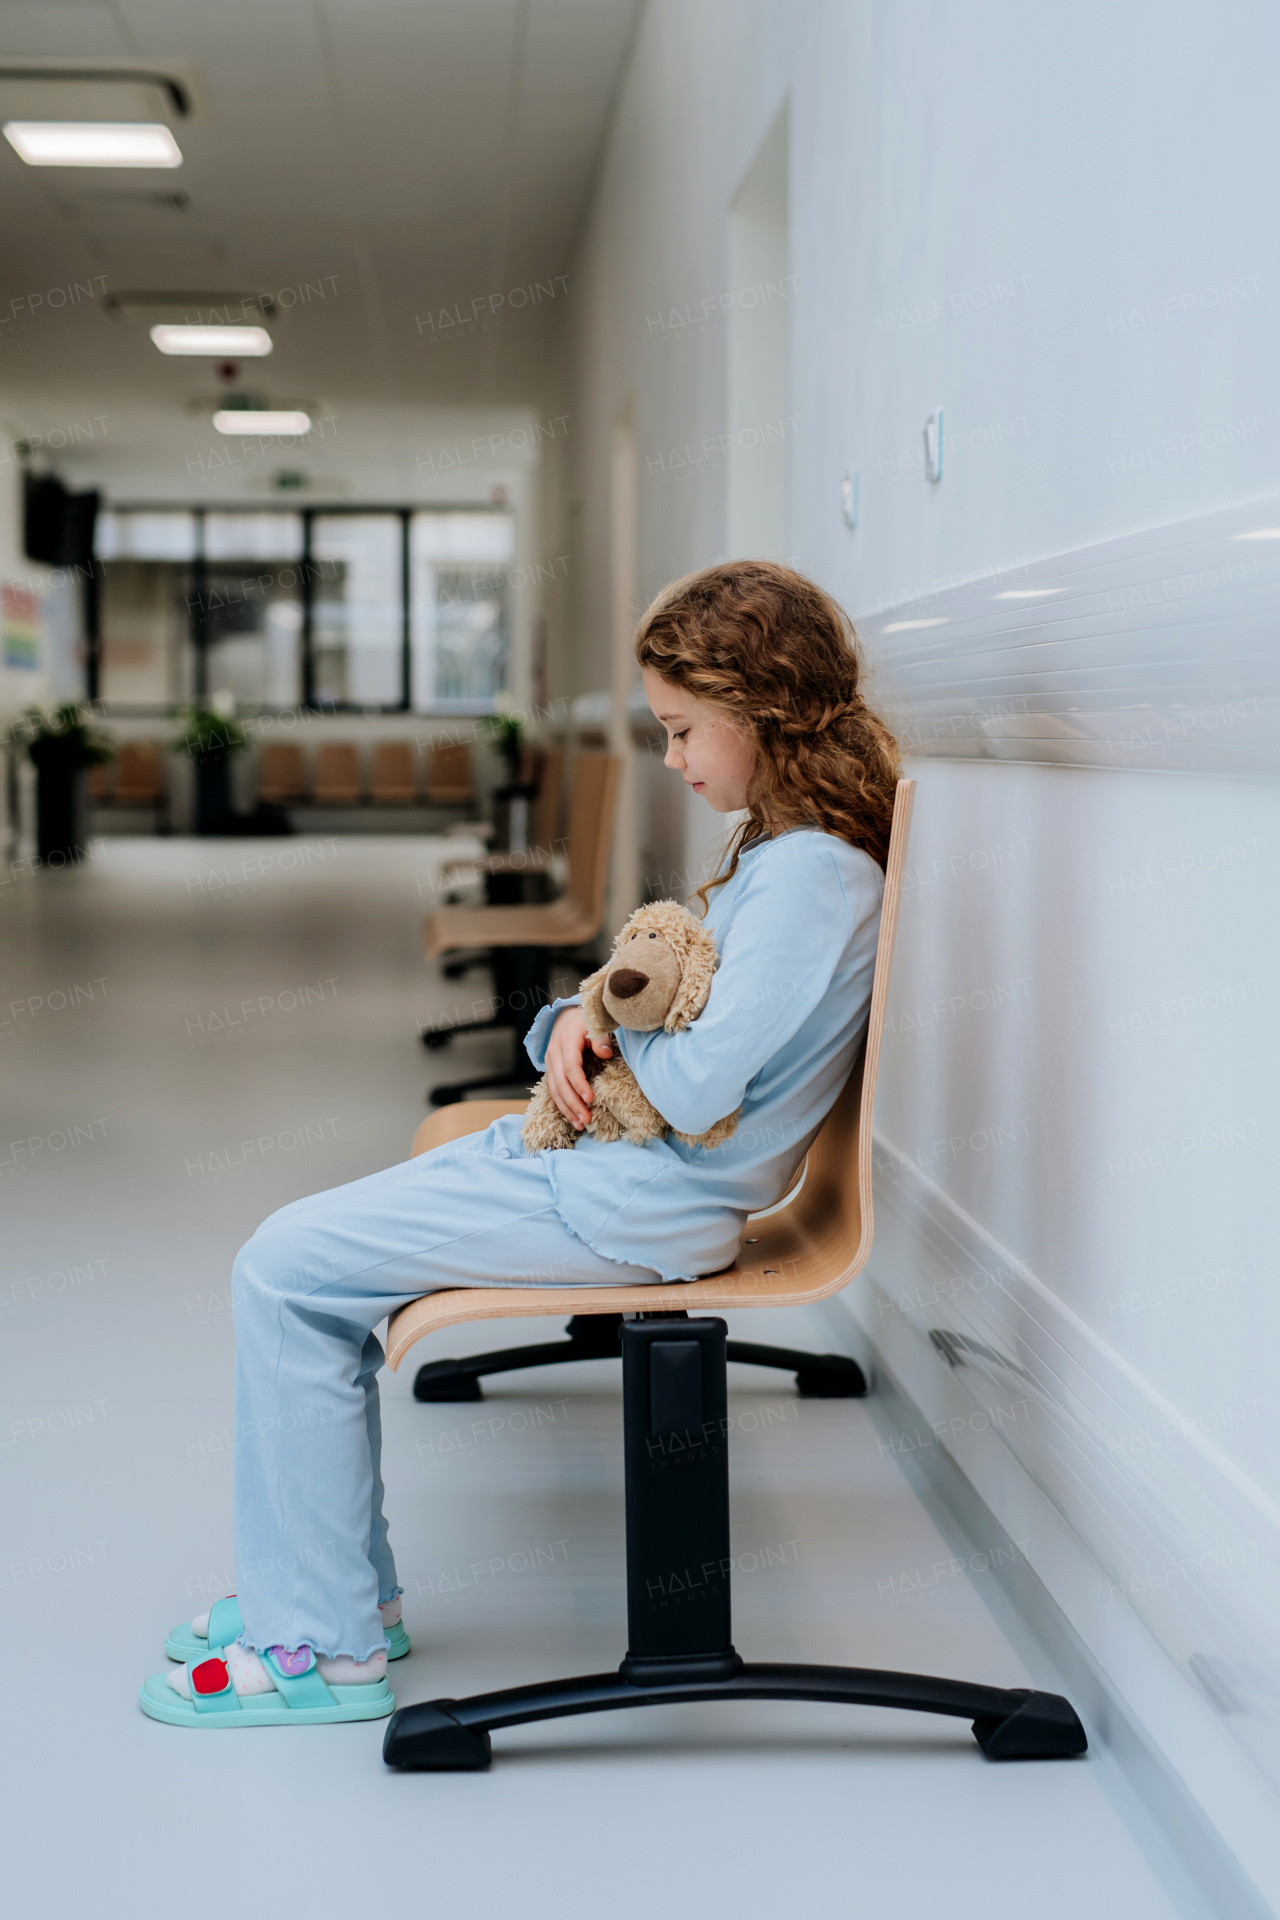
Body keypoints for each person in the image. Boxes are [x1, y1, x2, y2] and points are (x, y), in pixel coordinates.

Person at [139, 558, 902, 1726]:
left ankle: (326, 1650)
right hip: (600, 1171)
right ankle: (338, 1600)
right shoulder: (779, 853)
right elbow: (658, 1010)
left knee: (283, 1273)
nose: (672, 758)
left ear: (758, 707)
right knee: (298, 1266)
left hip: (634, 1200)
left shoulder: (806, 879)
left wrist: (597, 1014)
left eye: (682, 729)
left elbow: (691, 1082)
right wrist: (582, 1019)